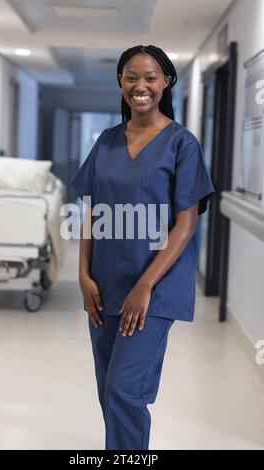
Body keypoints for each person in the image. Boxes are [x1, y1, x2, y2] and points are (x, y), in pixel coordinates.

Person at [70, 44, 215, 450]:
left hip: (155, 287)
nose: (140, 86)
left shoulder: (181, 144)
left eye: (150, 77)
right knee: (110, 392)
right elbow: (91, 211)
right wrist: (82, 274)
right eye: (131, 76)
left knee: (123, 389)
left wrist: (145, 285)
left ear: (166, 81)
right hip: (104, 284)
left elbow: (185, 224)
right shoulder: (107, 141)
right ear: (120, 82)